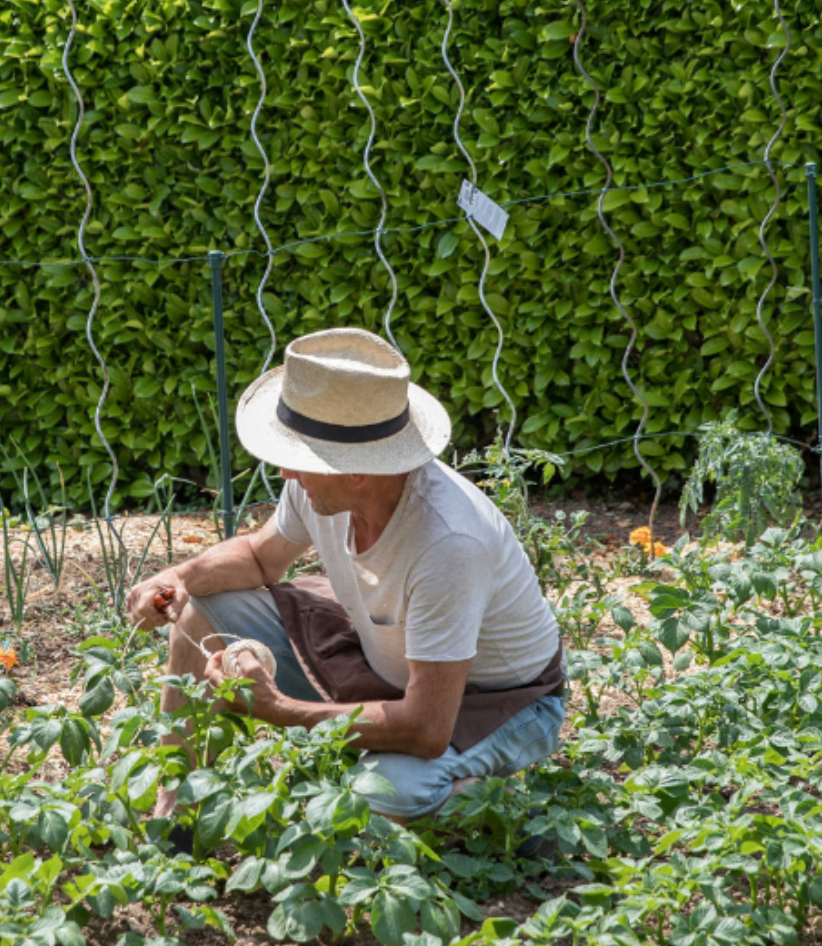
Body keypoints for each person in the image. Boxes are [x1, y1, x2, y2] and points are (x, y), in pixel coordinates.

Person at [128, 327, 565, 824]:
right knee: (200, 605)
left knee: (383, 795)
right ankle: (177, 804)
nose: (286, 474)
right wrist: (181, 577)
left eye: (298, 460)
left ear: (357, 469)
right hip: (387, 664)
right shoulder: (321, 486)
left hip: (495, 702)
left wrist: (283, 711)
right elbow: (258, 557)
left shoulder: (448, 542)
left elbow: (426, 726)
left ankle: (502, 806)